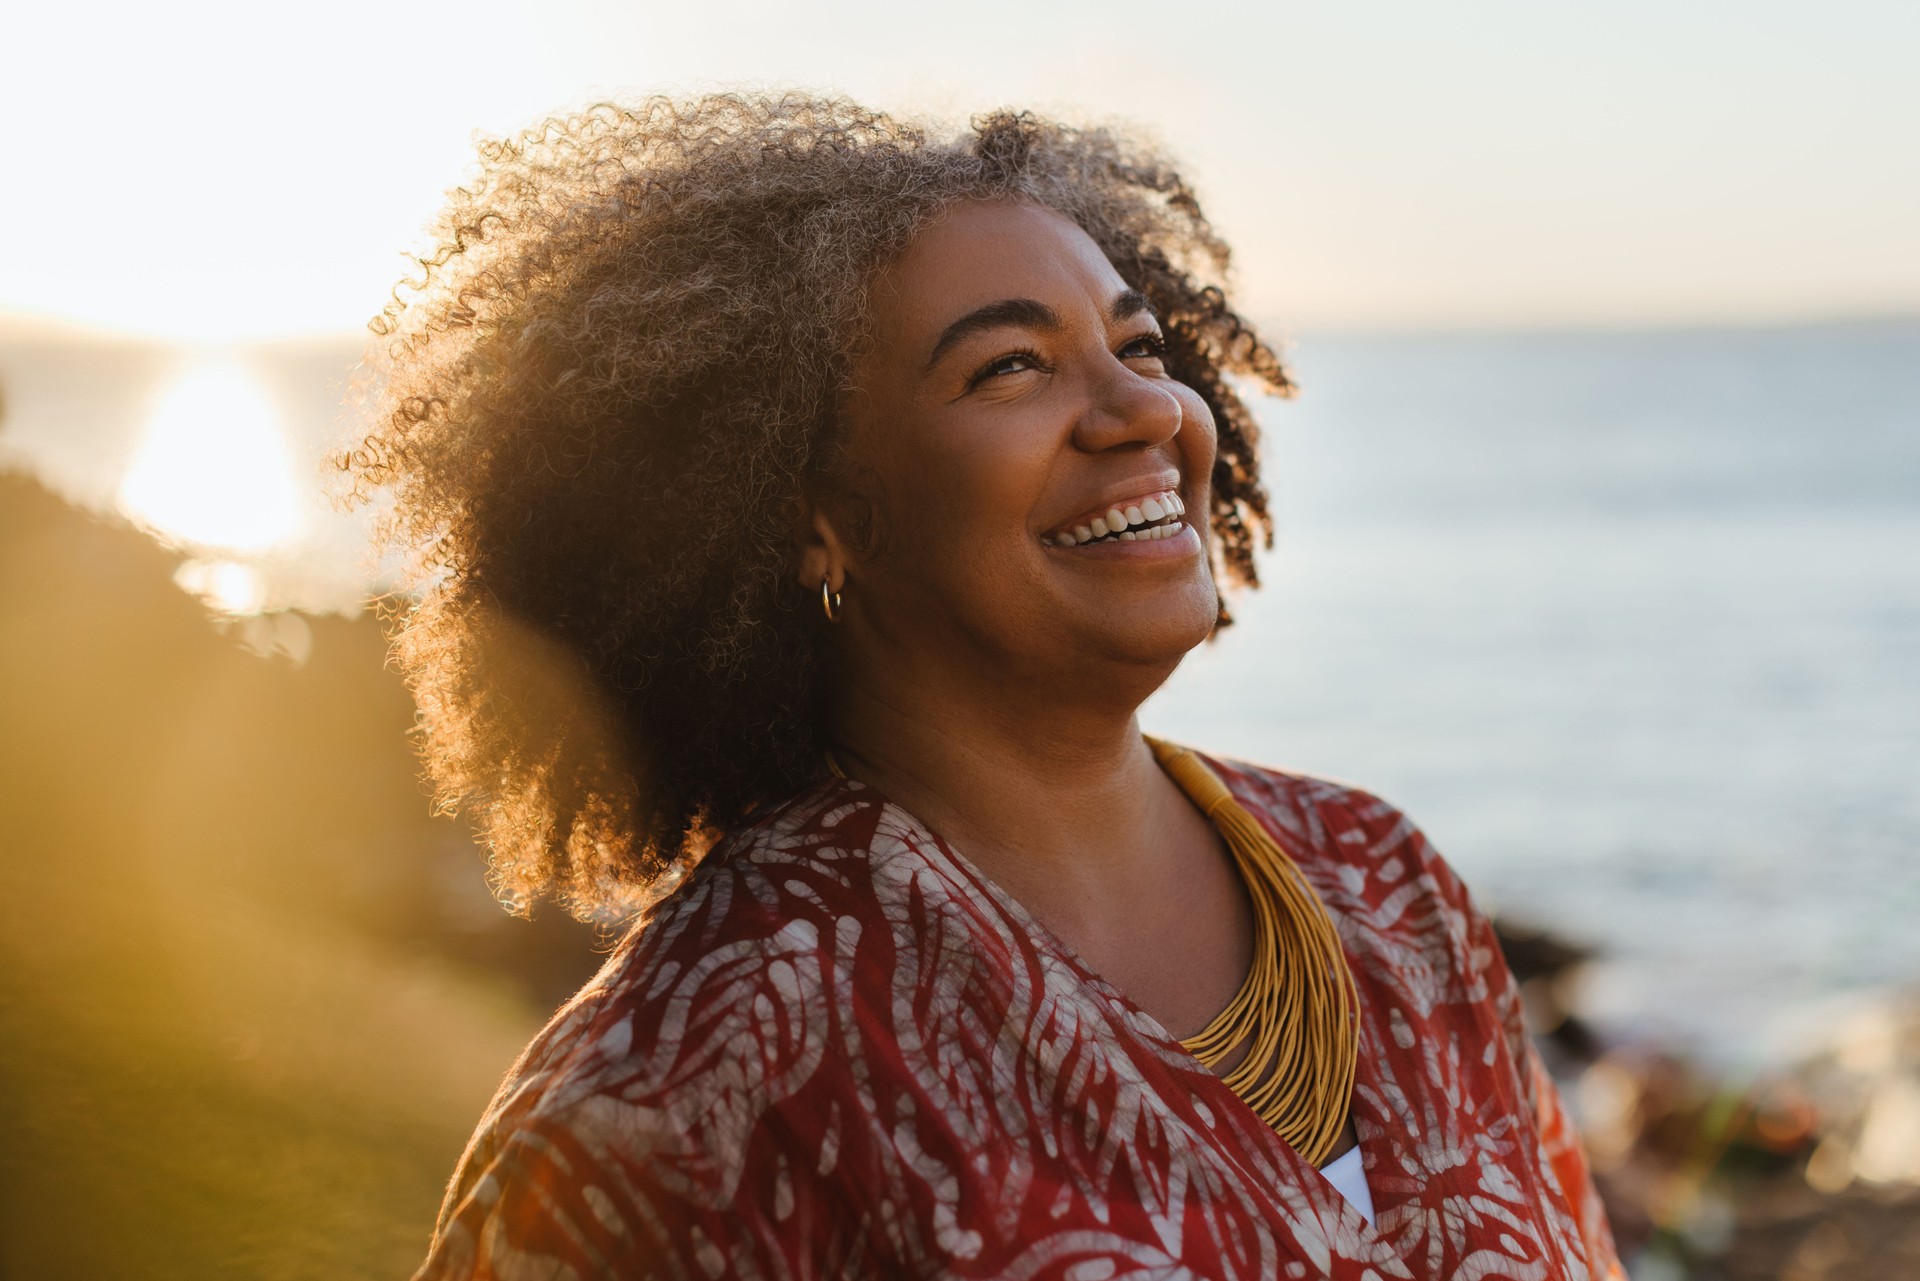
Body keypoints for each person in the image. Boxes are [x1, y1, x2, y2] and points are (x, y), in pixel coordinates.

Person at [340, 92, 1624, 1281]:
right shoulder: (697, 1082)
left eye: (1139, 344)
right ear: (814, 515)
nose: (1142, 411)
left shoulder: (1384, 884)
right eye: (1011, 366)